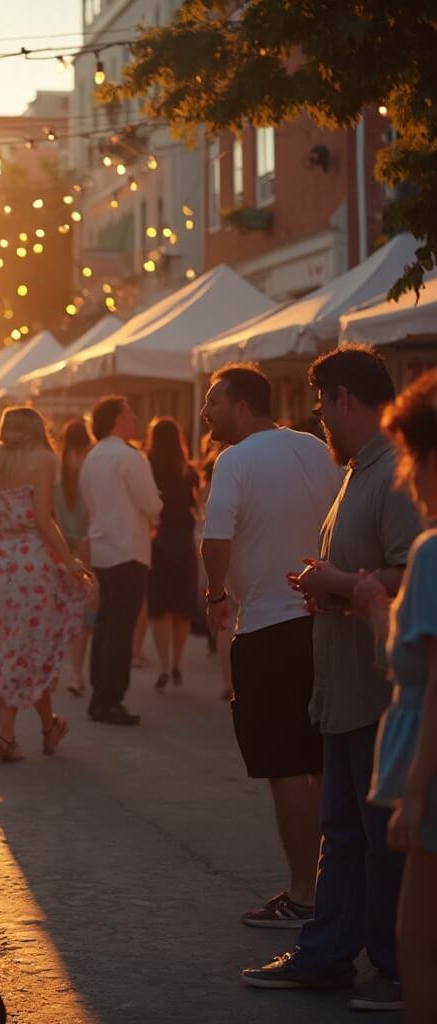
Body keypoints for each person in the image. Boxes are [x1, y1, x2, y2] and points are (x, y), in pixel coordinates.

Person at [240, 347, 419, 1009]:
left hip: (378, 687)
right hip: (345, 682)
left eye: (321, 405)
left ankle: (399, 967)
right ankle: (327, 953)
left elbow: (412, 573)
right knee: (343, 830)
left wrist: (332, 582)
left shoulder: (393, 473)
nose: (319, 419)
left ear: (346, 399)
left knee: (380, 836)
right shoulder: (358, 471)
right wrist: (329, 587)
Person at [201, 363, 344, 927]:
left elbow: (216, 539)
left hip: (265, 625)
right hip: (325, 617)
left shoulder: (233, 460)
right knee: (326, 758)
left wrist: (215, 594)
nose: (205, 412)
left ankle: (305, 894)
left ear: (242, 406)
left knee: (285, 764)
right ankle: (336, 888)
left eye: (213, 401)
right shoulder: (313, 447)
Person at [360, 368, 437, 1024]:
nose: (406, 475)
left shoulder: (434, 551)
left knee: (418, 942)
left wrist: (415, 792)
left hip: (432, 769)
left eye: (411, 456)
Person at [0, 407, 92, 761]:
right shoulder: (44, 459)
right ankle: (7, 734)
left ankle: (48, 727)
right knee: (28, 646)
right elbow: (44, 519)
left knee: (13, 647)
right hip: (32, 562)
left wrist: (3, 540)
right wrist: (70, 559)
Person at [79, 396, 162, 726]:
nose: (135, 416)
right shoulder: (128, 456)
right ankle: (110, 698)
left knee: (105, 624)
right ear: (116, 419)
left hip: (103, 549)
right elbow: (152, 504)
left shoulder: (92, 458)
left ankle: (100, 693)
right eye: (129, 413)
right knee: (119, 627)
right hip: (128, 549)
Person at [145, 417, 200, 691]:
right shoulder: (188, 471)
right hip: (184, 541)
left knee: (160, 609)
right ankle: (178, 662)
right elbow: (197, 506)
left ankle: (164, 664)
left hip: (159, 540)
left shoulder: (148, 468)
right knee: (182, 608)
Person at [54, 418, 94, 697]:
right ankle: (78, 674)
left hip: (60, 548)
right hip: (86, 546)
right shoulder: (92, 463)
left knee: (64, 611)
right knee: (84, 614)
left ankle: (67, 671)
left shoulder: (55, 468)